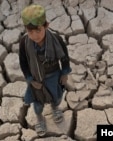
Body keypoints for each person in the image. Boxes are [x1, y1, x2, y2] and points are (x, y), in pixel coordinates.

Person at [19, 4, 72, 136]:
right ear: (26, 30)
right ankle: (39, 118)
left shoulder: (56, 40)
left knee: (57, 97)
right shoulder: (24, 43)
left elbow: (64, 58)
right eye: (30, 32)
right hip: (36, 79)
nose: (35, 35)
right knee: (38, 104)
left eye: (38, 31)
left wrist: (64, 73)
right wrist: (30, 80)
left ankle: (55, 108)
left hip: (54, 75)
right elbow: (23, 63)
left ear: (46, 26)